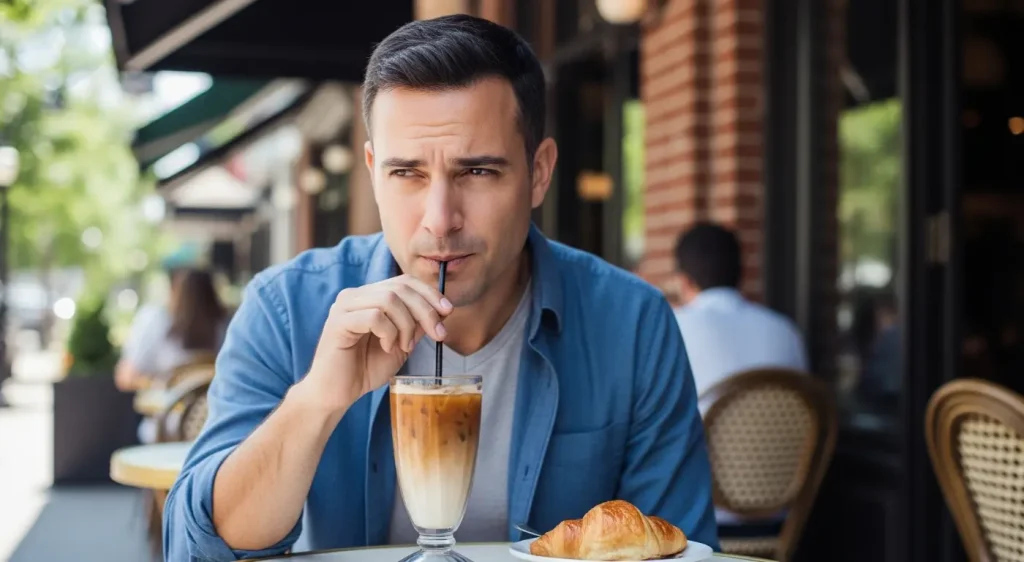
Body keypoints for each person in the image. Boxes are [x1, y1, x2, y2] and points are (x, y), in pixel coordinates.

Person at [163, 15, 718, 562]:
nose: (440, 220)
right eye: (407, 174)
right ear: (374, 171)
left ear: (540, 173)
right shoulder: (286, 308)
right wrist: (317, 401)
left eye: (477, 172)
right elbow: (199, 548)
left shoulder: (631, 323)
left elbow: (684, 551)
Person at [672, 222, 809, 401]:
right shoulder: (786, 329)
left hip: (704, 429)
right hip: (790, 429)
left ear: (684, 281)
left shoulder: (671, 329)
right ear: (741, 273)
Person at [116, 268, 229, 443]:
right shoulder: (227, 328)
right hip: (216, 431)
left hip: (165, 432)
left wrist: (161, 384)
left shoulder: (154, 321)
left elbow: (125, 378)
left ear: (176, 291)